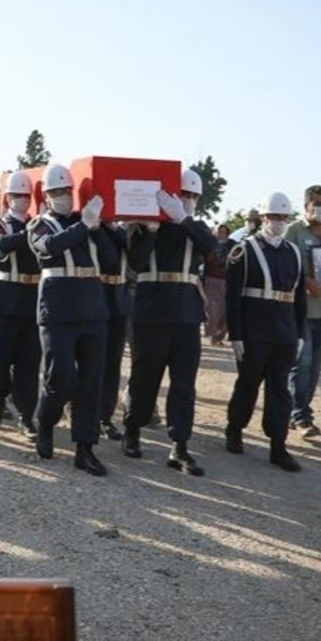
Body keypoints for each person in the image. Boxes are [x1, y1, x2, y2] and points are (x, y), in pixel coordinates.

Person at [122, 170, 217, 476]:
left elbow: (212, 249)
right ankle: (132, 429)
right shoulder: (147, 225)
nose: (187, 200)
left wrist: (183, 220)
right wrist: (149, 231)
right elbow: (135, 262)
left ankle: (180, 445)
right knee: (144, 377)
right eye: (183, 195)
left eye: (192, 197)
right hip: (151, 309)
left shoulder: (195, 227)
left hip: (186, 313)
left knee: (184, 383)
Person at [28, 164, 113, 476]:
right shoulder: (39, 223)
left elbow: (112, 259)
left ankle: (85, 447)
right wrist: (83, 226)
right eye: (55, 192)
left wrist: (99, 226)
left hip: (92, 307)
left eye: (66, 191)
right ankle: (45, 422)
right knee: (61, 377)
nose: (61, 196)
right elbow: (48, 248)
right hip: (58, 309)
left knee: (91, 380)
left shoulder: (86, 222)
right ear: (46, 195)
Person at [224, 191, 306, 473]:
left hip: (284, 331)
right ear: (263, 217)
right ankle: (234, 429)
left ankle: (278, 445)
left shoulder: (293, 252)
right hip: (254, 331)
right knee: (247, 385)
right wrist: (235, 334)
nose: (279, 221)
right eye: (274, 216)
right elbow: (232, 296)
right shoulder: (244, 250)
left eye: (283, 217)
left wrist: (300, 334)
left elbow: (299, 297)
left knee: (279, 390)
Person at [0, 171, 43, 436]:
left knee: (29, 361)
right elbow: (0, 247)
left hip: (33, 297)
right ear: (8, 198)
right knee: (1, 356)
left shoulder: (38, 223)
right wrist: (30, 231)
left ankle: (26, 414)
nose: (21, 200)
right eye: (17, 195)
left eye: (25, 196)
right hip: (7, 297)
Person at [284, 185, 321, 439]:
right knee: (302, 363)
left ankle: (294, 411)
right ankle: (302, 416)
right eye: (317, 203)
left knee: (315, 367)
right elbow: (284, 267)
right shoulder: (293, 232)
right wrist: (305, 281)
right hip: (301, 310)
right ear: (306, 205)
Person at [93, 218, 129, 444]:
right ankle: (83, 409)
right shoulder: (92, 225)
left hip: (119, 297)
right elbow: (109, 257)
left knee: (113, 362)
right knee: (91, 360)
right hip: (96, 294)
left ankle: (105, 416)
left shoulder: (126, 229)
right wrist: (106, 227)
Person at [203, 223, 232, 345]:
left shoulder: (231, 246)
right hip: (210, 280)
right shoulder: (209, 245)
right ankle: (213, 336)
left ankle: (220, 334)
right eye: (220, 232)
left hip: (225, 281)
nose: (222, 234)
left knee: (223, 310)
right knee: (212, 310)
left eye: (224, 232)